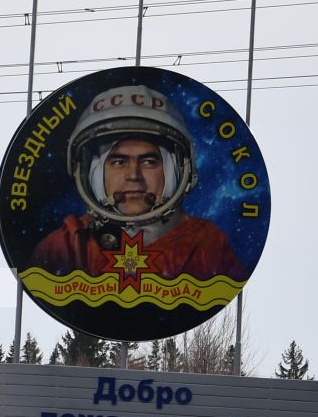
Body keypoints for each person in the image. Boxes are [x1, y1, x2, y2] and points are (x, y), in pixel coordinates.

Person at [29, 84, 246, 282]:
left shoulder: (207, 245)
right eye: (119, 161)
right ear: (93, 172)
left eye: (150, 161)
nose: (134, 175)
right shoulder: (68, 245)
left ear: (175, 170)